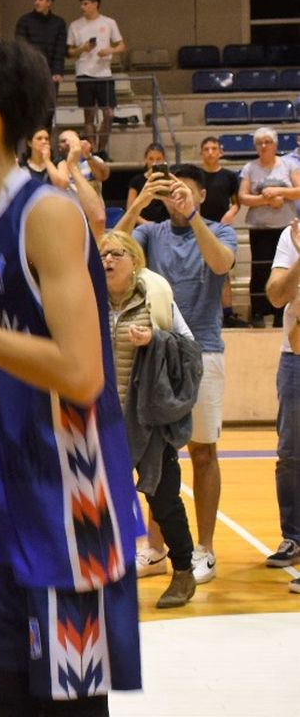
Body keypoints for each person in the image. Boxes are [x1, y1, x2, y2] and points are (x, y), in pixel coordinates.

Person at [0, 39, 141, 714]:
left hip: (70, 519)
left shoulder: (45, 213)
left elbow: (80, 373)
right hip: (14, 515)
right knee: (8, 699)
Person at [120, 164, 238, 585]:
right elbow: (109, 250)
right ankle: (154, 549)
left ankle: (204, 548)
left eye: (186, 193)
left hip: (202, 351)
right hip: (151, 354)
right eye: (172, 193)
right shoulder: (150, 234)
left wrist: (192, 219)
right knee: (157, 456)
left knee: (203, 452)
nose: (177, 198)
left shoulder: (219, 232)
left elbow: (221, 264)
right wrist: (138, 205)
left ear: (202, 196)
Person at [98, 231, 201, 608]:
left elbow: (190, 350)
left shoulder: (156, 299)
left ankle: (183, 573)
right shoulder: (90, 301)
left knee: (165, 501)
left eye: (116, 253)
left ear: (135, 261)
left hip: (148, 421)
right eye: (102, 254)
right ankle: (109, 573)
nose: (107, 260)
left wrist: (155, 339)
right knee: (104, 503)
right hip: (102, 421)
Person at [262, 218, 300, 588]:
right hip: (296, 355)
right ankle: (294, 536)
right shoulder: (292, 235)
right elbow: (275, 296)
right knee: (290, 453)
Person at [238, 127, 300, 328]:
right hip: (260, 228)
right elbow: (243, 197)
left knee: (285, 269)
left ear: (275, 145)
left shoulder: (289, 164)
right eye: (259, 143)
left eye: (267, 142)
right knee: (260, 270)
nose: (263, 146)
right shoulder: (249, 167)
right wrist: (266, 200)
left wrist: (278, 191)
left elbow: (299, 190)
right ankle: (257, 312)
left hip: (285, 227)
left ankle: (280, 313)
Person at [66, 0, 125, 156]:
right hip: (84, 72)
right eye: (81, 4)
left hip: (104, 73)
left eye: (85, 3)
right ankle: (91, 151)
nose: (82, 7)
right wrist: (82, 48)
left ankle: (101, 148)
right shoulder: (75, 25)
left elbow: (121, 45)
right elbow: (69, 52)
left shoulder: (109, 22)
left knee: (109, 113)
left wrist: (109, 50)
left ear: (95, 4)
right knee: (89, 114)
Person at [194, 136, 244, 327]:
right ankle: (202, 313)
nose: (210, 152)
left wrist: (230, 214)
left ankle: (228, 314)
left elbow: (236, 203)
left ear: (220, 152)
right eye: (206, 149)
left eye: (214, 148)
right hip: (199, 229)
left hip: (221, 230)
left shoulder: (230, 176)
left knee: (224, 272)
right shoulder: (196, 176)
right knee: (197, 271)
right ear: (201, 152)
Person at [14, 0, 68, 131]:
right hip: (30, 73)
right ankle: (29, 148)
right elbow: (20, 48)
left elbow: (60, 49)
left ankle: (45, 146)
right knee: (30, 111)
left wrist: (57, 71)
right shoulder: (24, 21)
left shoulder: (59, 23)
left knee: (48, 111)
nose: (37, 2)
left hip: (50, 74)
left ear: (49, 2)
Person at [125, 143, 171, 227]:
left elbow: (172, 208)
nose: (154, 163)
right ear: (145, 160)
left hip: (164, 226)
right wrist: (147, 225)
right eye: (151, 159)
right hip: (142, 226)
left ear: (163, 160)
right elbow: (130, 209)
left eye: (158, 159)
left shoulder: (169, 180)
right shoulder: (136, 181)